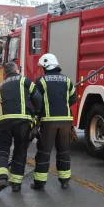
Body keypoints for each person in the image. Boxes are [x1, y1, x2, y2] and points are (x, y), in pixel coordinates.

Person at [0, 62, 42, 193]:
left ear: (5, 73)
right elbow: (37, 98)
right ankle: (16, 184)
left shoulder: (0, 86)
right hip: (23, 122)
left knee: (1, 149)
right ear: (17, 70)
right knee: (20, 150)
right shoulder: (25, 81)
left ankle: (1, 178)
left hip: (4, 122)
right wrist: (37, 114)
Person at [31, 53, 77, 190]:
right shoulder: (67, 80)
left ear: (45, 66)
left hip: (49, 121)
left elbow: (36, 100)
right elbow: (73, 99)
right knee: (64, 151)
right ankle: (64, 181)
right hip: (65, 122)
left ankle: (40, 182)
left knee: (44, 152)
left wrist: (38, 114)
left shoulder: (41, 81)